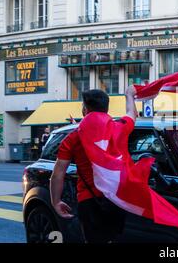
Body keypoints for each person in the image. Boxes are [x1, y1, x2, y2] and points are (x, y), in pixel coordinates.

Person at [50, 86, 138, 243]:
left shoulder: (72, 138)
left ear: (85, 109)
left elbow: (58, 174)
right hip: (116, 199)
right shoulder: (119, 127)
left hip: (88, 200)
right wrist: (129, 95)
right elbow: (132, 114)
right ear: (106, 108)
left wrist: (56, 201)